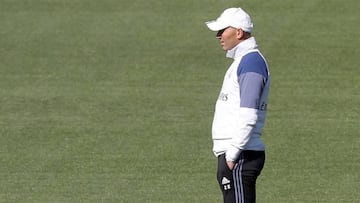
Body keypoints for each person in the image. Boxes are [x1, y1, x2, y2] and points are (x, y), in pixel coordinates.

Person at [205, 7, 270, 203]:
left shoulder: (251, 63)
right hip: (238, 153)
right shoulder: (245, 61)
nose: (218, 36)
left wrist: (232, 154)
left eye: (222, 30)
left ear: (239, 32)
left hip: (241, 155)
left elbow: (249, 114)